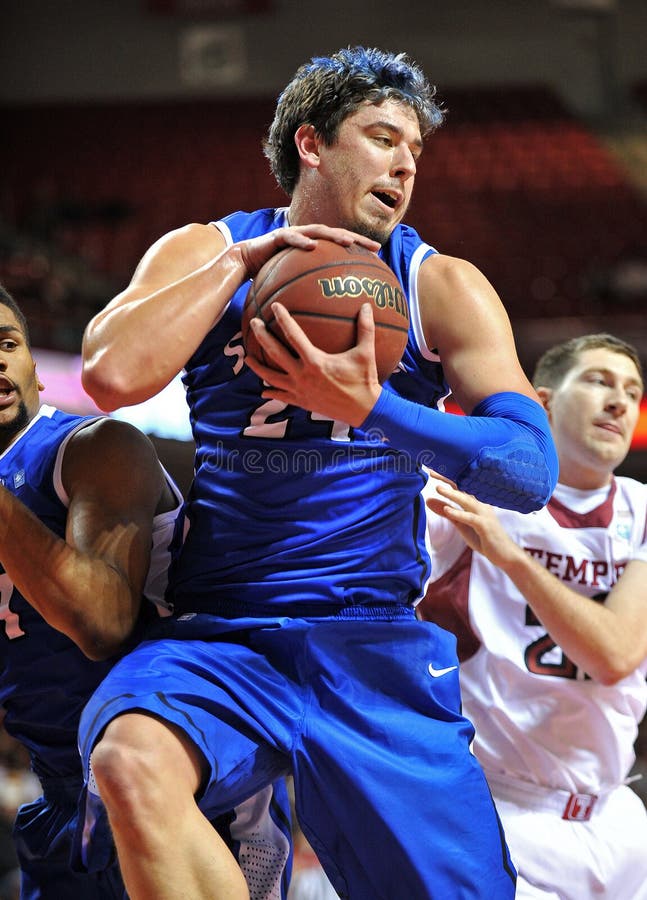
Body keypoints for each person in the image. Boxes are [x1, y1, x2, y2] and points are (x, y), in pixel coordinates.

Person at [77, 46, 560, 900]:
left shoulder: (437, 284)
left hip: (369, 641)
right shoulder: (206, 249)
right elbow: (111, 378)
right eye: (381, 139)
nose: (404, 166)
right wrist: (239, 267)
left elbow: (527, 473)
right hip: (222, 634)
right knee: (128, 758)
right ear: (311, 143)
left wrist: (372, 408)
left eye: (414, 151)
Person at [0, 285, 292, 900]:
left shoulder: (94, 447)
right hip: (59, 794)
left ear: (35, 370)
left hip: (178, 780)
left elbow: (101, 623)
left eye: (8, 344)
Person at [419, 333, 647, 899]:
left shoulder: (643, 510)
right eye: (598, 381)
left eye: (632, 391)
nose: (619, 402)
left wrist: (511, 556)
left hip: (618, 817)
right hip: (505, 809)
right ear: (543, 402)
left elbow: (616, 654)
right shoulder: (475, 496)